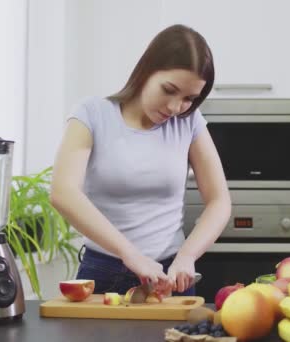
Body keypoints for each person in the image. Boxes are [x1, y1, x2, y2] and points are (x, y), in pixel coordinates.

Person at [50, 24, 231, 297]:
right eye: (169, 89)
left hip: (171, 278)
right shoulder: (92, 114)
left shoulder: (190, 122)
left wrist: (187, 256)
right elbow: (63, 192)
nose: (174, 107)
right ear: (147, 69)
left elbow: (219, 201)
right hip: (103, 273)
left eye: (189, 98)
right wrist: (129, 254)